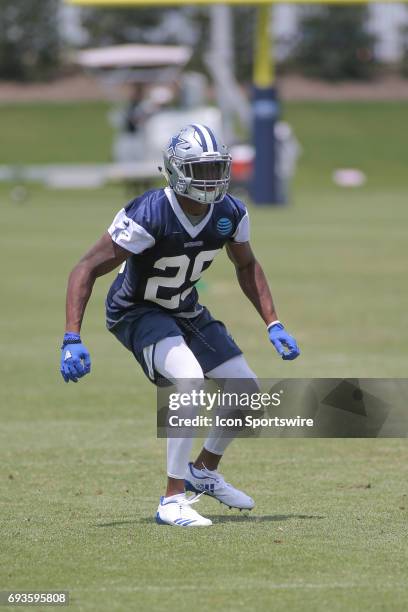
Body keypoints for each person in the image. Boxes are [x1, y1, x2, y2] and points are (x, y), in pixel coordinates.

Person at [60, 124, 300, 528]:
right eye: (199, 170)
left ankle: (203, 471)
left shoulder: (230, 213)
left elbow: (246, 265)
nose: (210, 180)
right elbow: (86, 266)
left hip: (185, 309)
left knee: (245, 388)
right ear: (174, 170)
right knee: (188, 379)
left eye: (214, 169)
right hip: (137, 311)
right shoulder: (149, 212)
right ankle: (171, 499)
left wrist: (273, 323)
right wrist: (72, 336)